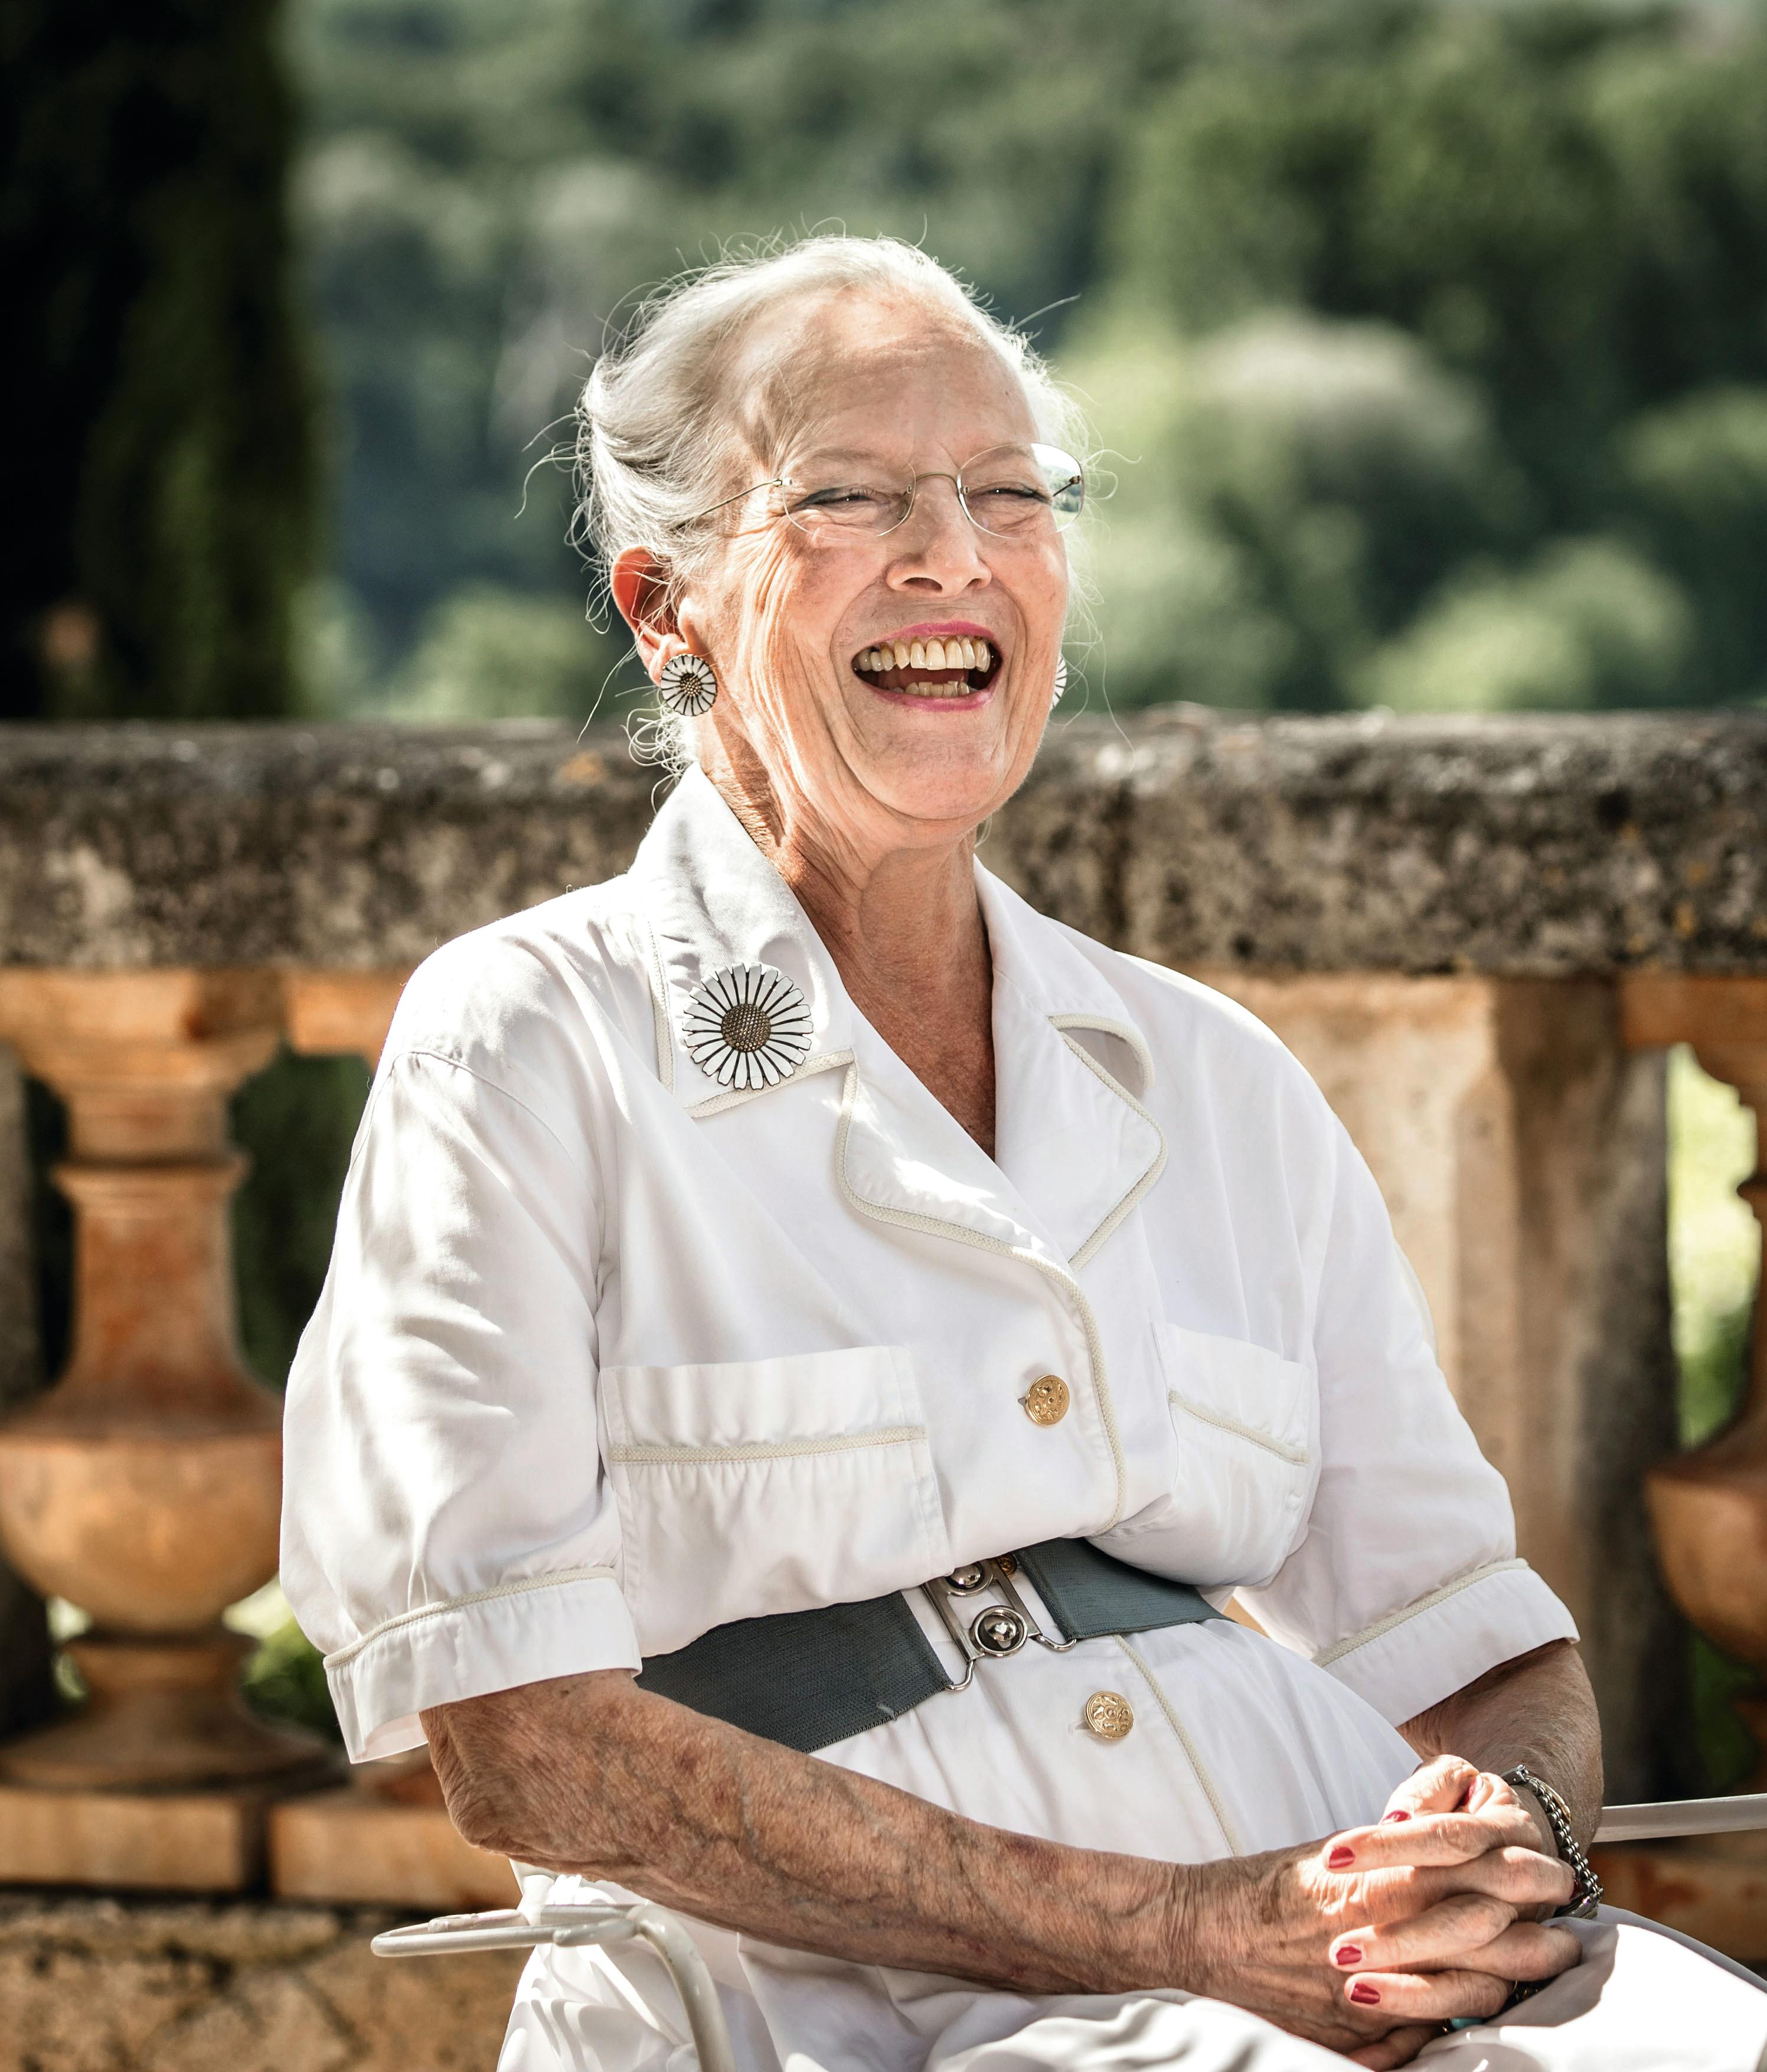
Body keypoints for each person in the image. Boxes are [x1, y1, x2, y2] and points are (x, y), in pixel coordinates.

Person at [280, 236, 1766, 2072]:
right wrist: (1187, 1933)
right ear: (665, 603)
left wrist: (1504, 1846)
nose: (951, 556)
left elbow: (1473, 1646)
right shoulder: (525, 1041)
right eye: (847, 496)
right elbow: (522, 1742)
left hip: (1343, 1978)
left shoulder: (1207, 1074)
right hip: (831, 2008)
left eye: (1007, 494)